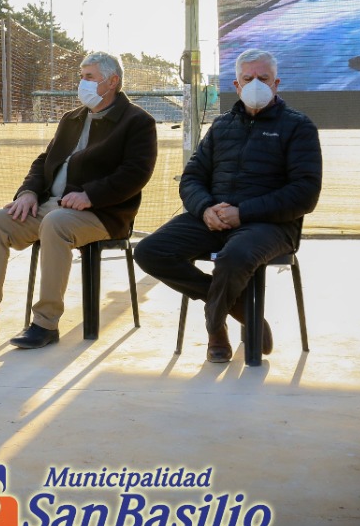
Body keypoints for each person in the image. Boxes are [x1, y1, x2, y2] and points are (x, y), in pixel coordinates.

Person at [0, 51, 157, 348]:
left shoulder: (137, 121)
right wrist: (28, 192)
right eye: (81, 77)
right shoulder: (72, 118)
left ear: (112, 82)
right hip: (51, 206)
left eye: (89, 77)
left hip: (103, 213)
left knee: (56, 223)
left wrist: (90, 195)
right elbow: (44, 160)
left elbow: (136, 173)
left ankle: (45, 323)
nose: (82, 83)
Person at [134, 49, 322, 364]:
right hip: (212, 218)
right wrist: (205, 209)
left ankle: (215, 326)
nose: (255, 84)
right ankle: (240, 309)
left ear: (276, 83)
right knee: (149, 251)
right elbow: (191, 178)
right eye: (248, 78)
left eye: (263, 78)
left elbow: (305, 193)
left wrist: (242, 213)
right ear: (236, 85)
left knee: (234, 257)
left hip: (270, 225)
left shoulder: (298, 127)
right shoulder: (221, 126)